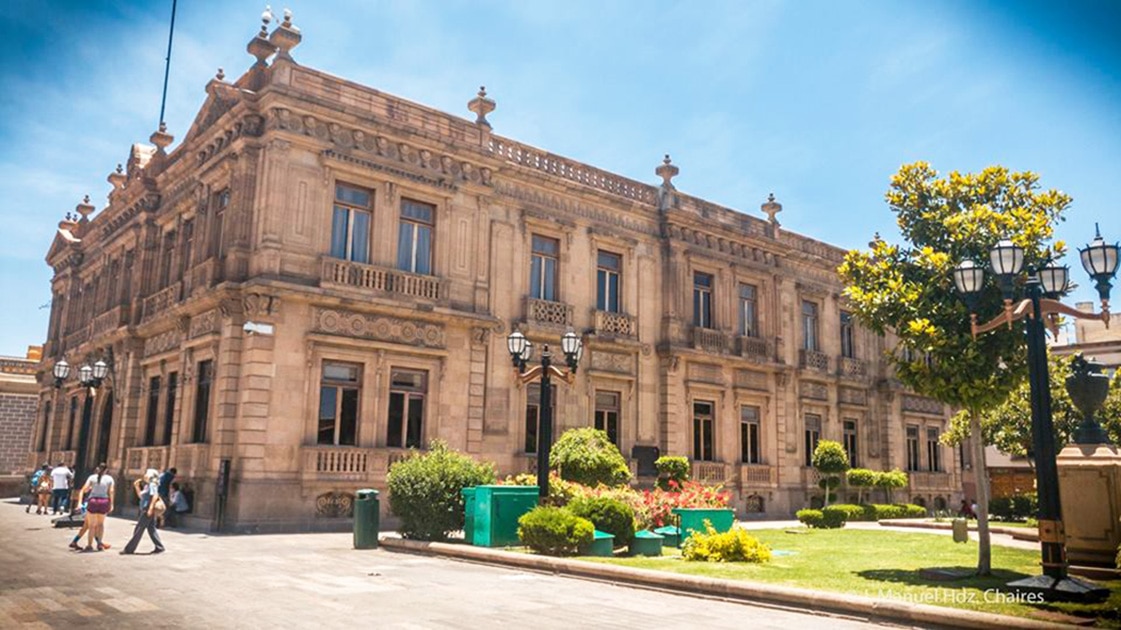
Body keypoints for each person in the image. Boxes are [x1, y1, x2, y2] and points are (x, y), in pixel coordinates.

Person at [121, 469, 165, 555]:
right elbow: (141, 496)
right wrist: (137, 486)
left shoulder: (153, 484)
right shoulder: (147, 485)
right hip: (145, 507)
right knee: (151, 528)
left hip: (147, 508)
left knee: (139, 528)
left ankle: (129, 549)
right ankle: (159, 547)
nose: (145, 475)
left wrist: (150, 508)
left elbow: (155, 496)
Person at [71, 463, 114, 551]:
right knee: (100, 524)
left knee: (90, 525)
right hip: (104, 501)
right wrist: (111, 504)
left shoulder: (92, 477)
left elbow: (84, 489)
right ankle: (99, 544)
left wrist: (79, 503)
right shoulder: (110, 479)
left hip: (93, 501)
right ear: (106, 470)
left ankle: (89, 545)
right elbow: (111, 491)